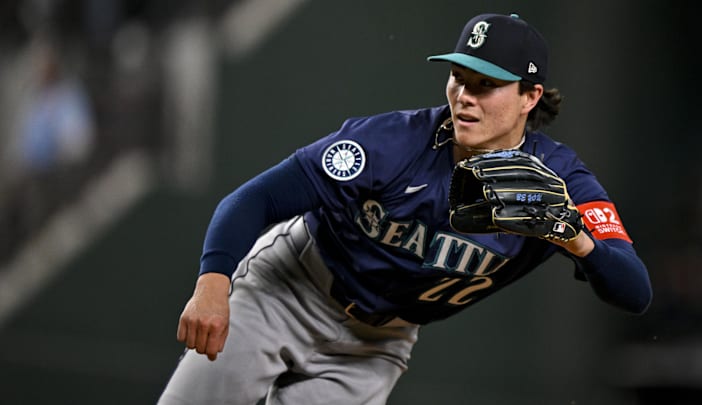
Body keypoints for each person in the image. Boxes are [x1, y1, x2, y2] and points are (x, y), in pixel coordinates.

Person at [157, 12, 652, 405]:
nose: (464, 96)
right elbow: (257, 198)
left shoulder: (561, 183)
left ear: (530, 97)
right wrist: (213, 283)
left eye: (485, 84)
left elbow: (634, 290)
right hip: (289, 290)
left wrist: (574, 237)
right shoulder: (392, 142)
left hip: (375, 344)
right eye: (459, 77)